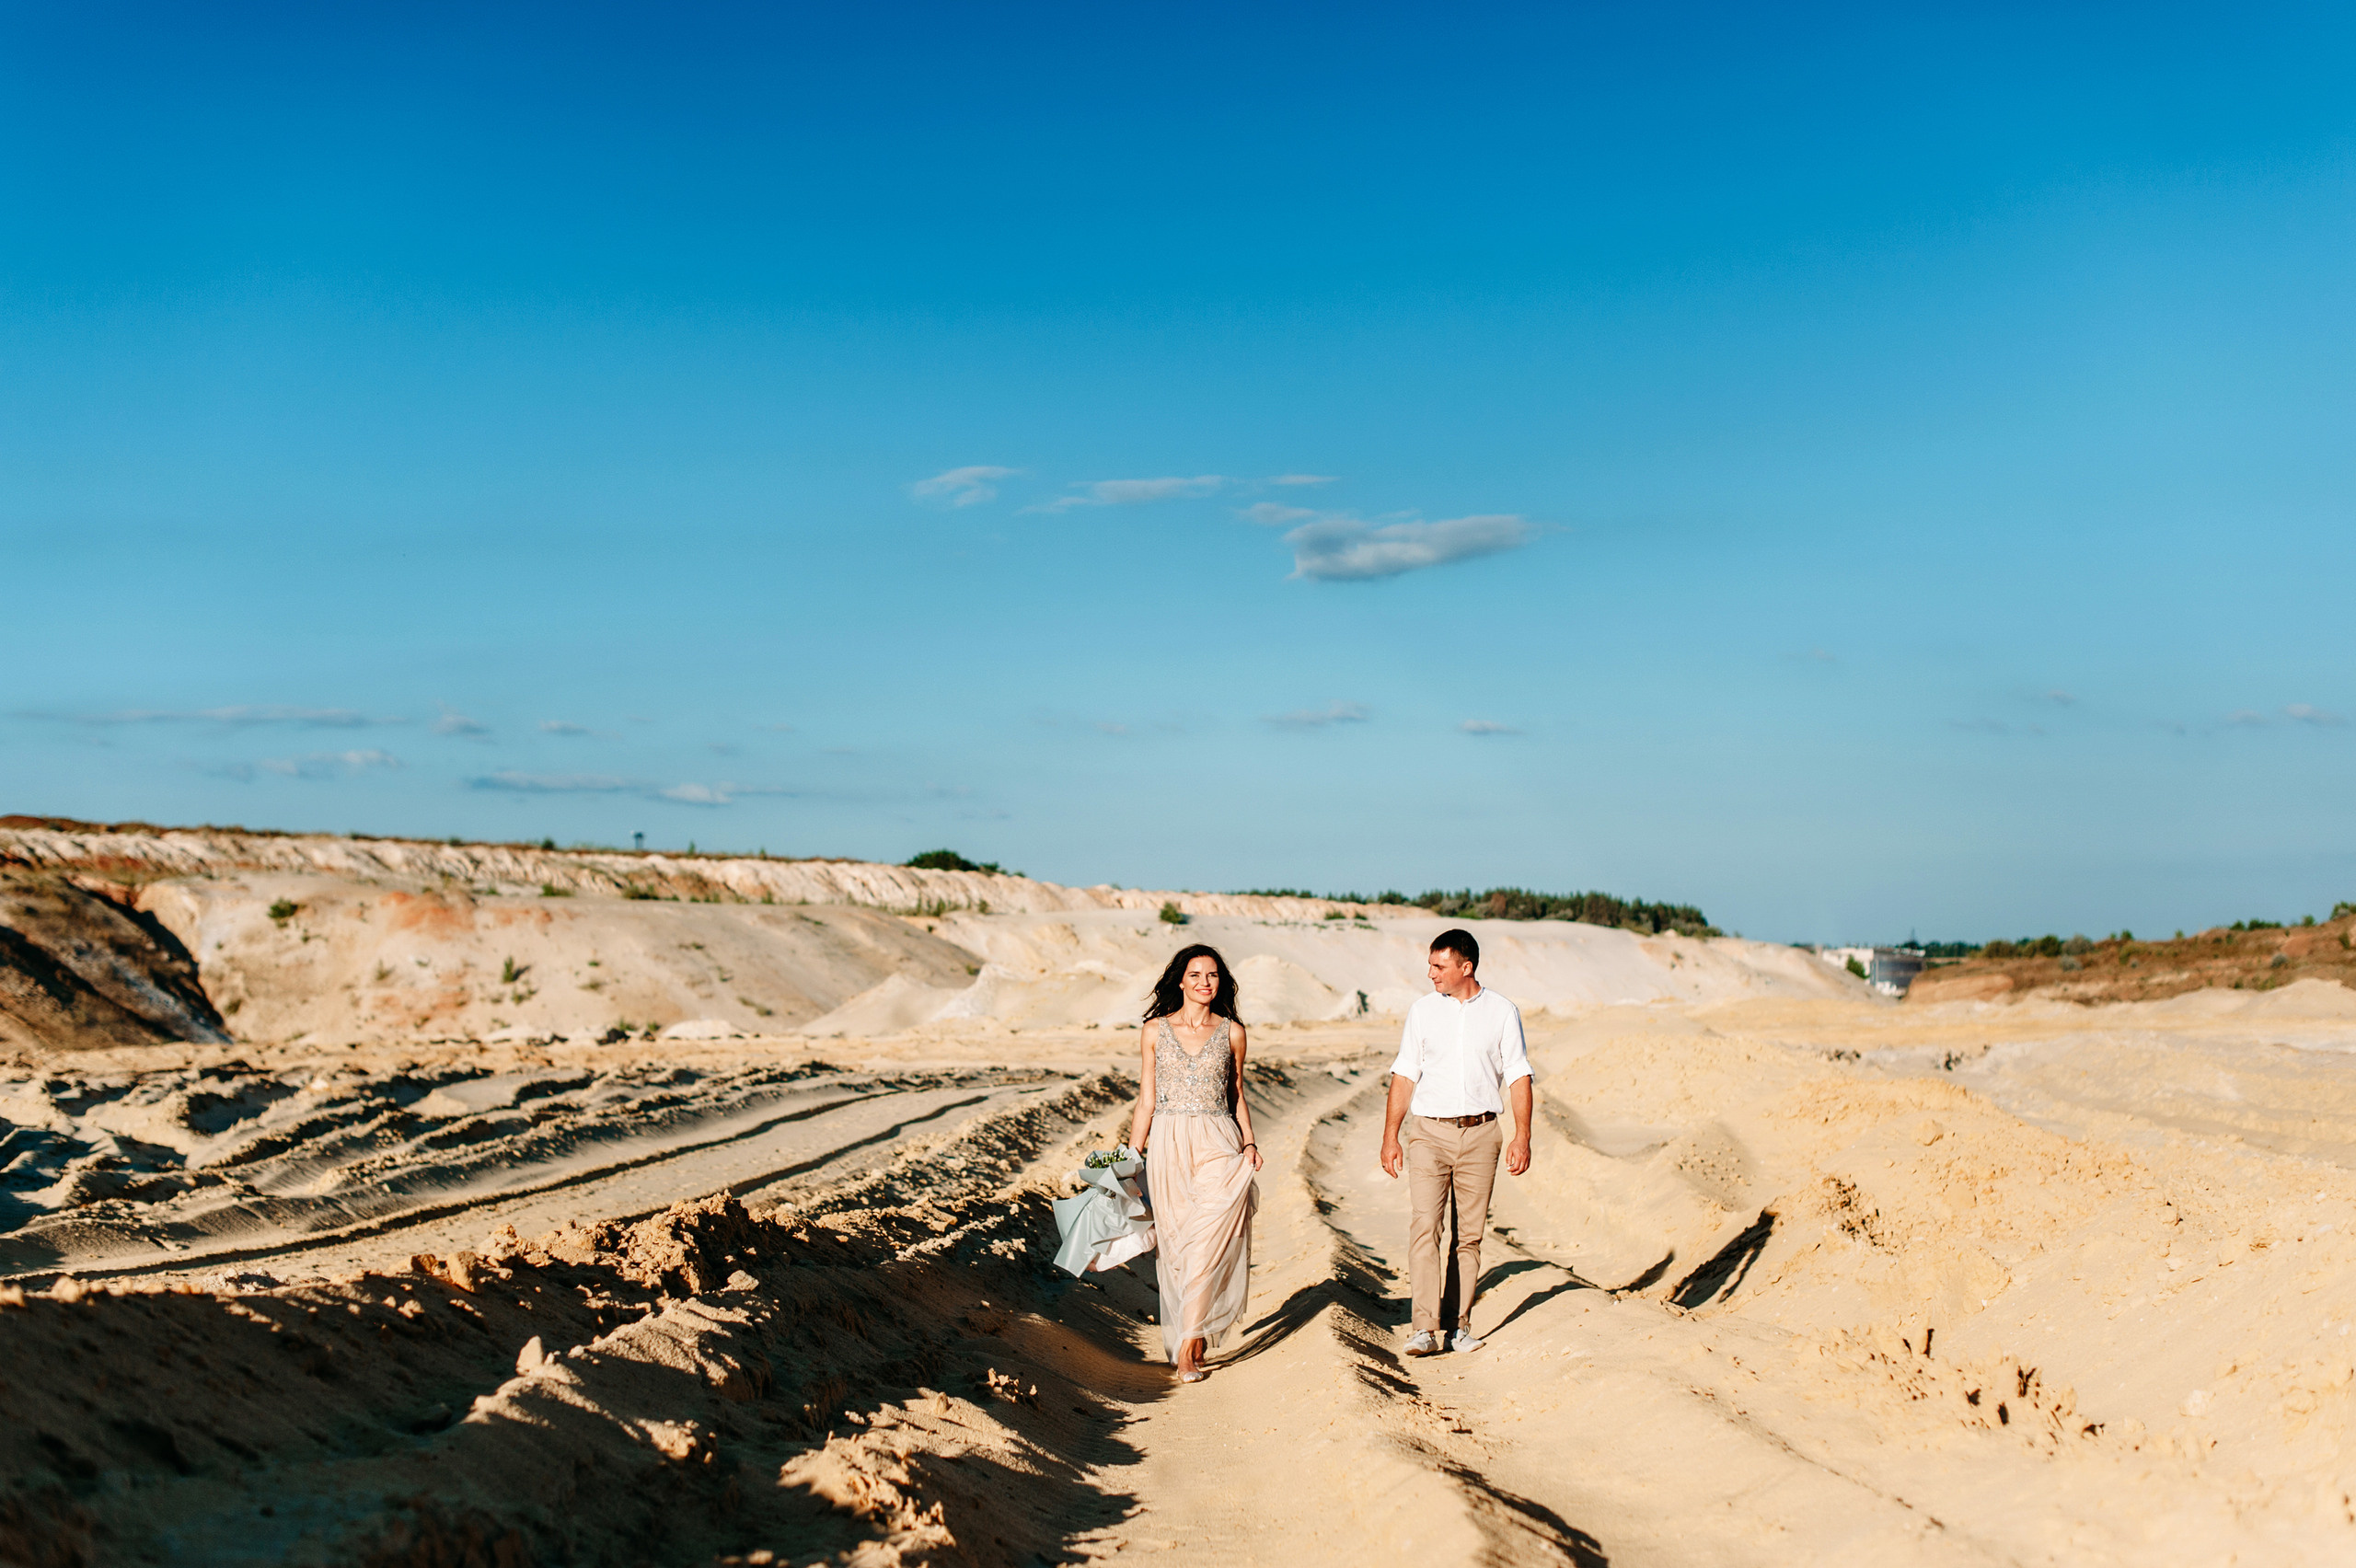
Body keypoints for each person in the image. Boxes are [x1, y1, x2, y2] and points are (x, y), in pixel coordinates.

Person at [1378, 928, 1533, 1356]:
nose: (1430, 974)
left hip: (1483, 1134)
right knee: (1425, 1226)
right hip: (1429, 1133)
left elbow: (1519, 1074)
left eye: (1438, 966)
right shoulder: (1422, 1011)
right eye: (1430, 965)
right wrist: (1391, 1136)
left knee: (1469, 1236)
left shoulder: (1503, 1011)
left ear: (1466, 967)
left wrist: (1523, 1135)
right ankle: (1424, 1328)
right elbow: (1405, 1073)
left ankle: (1459, 1326)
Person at [1126, 943, 1263, 1382]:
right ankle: (1194, 1327)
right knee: (1178, 1247)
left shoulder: (1233, 1032)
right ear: (1180, 981)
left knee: (1206, 1242)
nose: (1206, 983)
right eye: (1196, 975)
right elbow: (1146, 1099)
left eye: (1213, 976)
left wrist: (1249, 1142)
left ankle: (1188, 1348)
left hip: (1218, 1141)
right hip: (1167, 1143)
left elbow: (1237, 1094)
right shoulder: (1153, 1030)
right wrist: (1131, 1154)